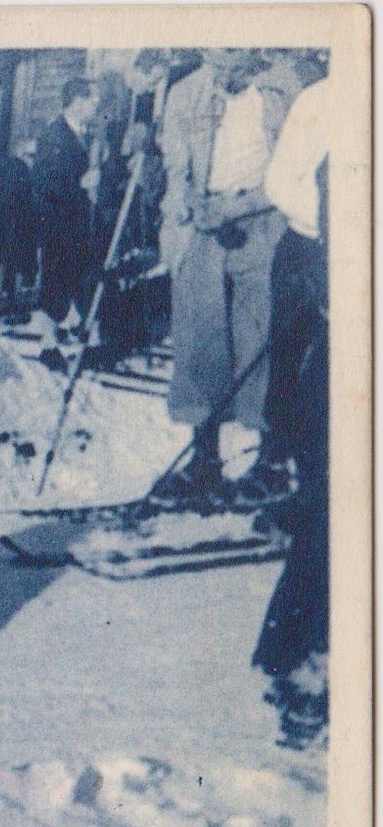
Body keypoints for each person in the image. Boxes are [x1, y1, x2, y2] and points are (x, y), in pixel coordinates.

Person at [151, 48, 299, 506]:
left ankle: (271, 462)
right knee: (199, 339)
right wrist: (186, 203)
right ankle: (204, 463)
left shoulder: (284, 91)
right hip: (204, 224)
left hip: (265, 219)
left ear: (253, 56)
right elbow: (177, 166)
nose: (219, 78)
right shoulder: (186, 93)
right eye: (213, 65)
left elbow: (292, 171)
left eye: (230, 67)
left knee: (262, 342)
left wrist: (236, 207)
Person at [252, 71, 331, 749]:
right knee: (333, 492)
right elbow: (287, 187)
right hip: (332, 279)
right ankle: (309, 658)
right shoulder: (326, 101)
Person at [31, 77, 102, 350]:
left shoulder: (80, 134)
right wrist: (80, 184)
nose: (96, 104)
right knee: (55, 278)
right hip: (56, 221)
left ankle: (71, 332)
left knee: (75, 275)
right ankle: (47, 346)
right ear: (76, 101)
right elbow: (45, 183)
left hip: (76, 221)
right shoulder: (54, 136)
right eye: (91, 99)